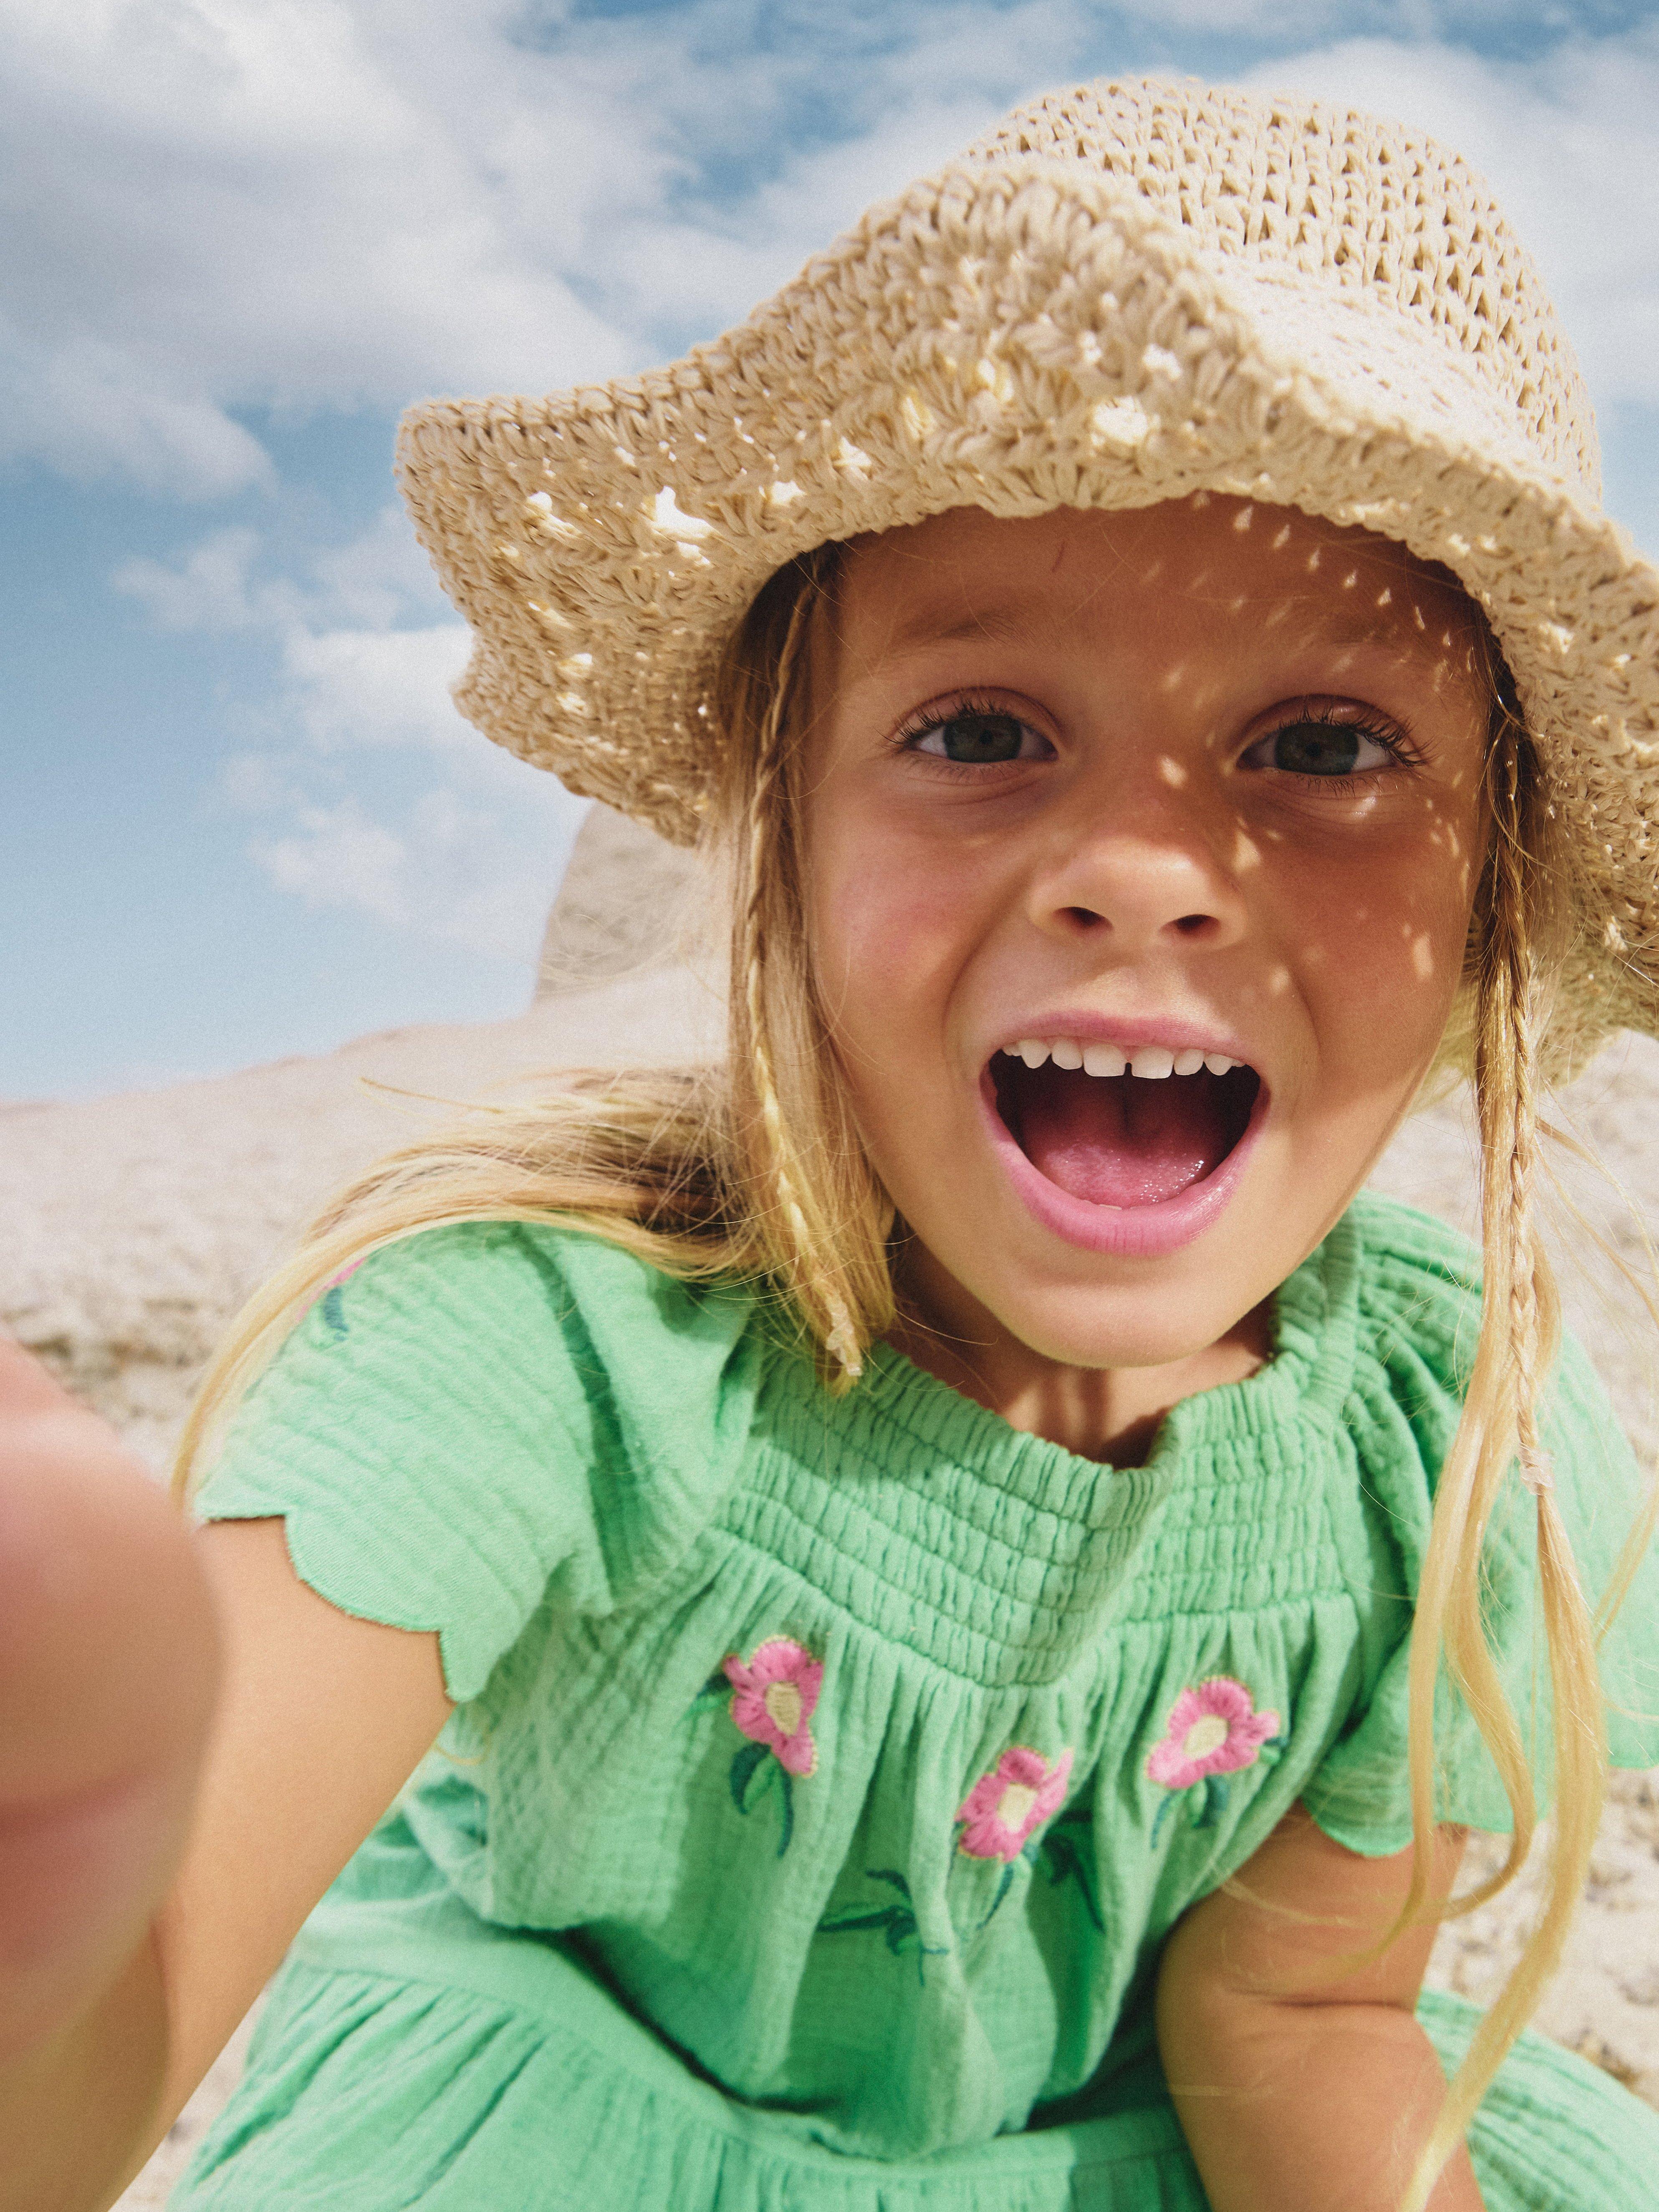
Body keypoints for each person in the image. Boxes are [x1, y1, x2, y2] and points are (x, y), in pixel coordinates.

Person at [4, 73, 1659, 2212]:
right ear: (781, 836)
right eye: (981, 732)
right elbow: (115, 2016)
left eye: (1323, 747)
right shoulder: (551, 1347)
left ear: (1487, 896)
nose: (1145, 869)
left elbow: (1303, 2013)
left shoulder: (1453, 1441)